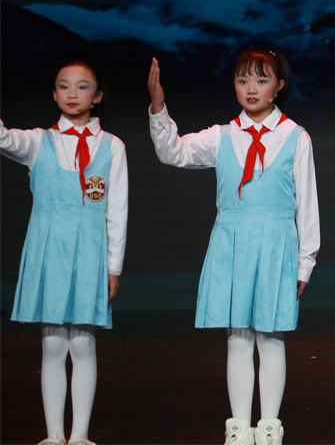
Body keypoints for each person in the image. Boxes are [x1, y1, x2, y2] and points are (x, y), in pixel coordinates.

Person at [147, 51, 319, 445]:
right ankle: (239, 427)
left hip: (275, 245)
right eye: (243, 80)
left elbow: (307, 205)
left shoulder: (296, 137)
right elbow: (172, 152)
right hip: (232, 243)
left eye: (261, 80)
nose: (251, 88)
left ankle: (270, 427)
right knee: (238, 336)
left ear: (279, 86)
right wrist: (158, 106)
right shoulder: (221, 136)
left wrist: (305, 264)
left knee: (271, 336)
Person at [1, 60, 128, 445]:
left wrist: (113, 266)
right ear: (54, 94)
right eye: (63, 86)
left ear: (98, 96)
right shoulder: (37, 141)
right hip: (49, 249)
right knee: (53, 342)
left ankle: (80, 436)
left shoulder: (112, 146)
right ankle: (54, 436)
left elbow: (117, 211)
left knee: (83, 342)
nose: (72, 94)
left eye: (83, 86)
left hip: (89, 250)